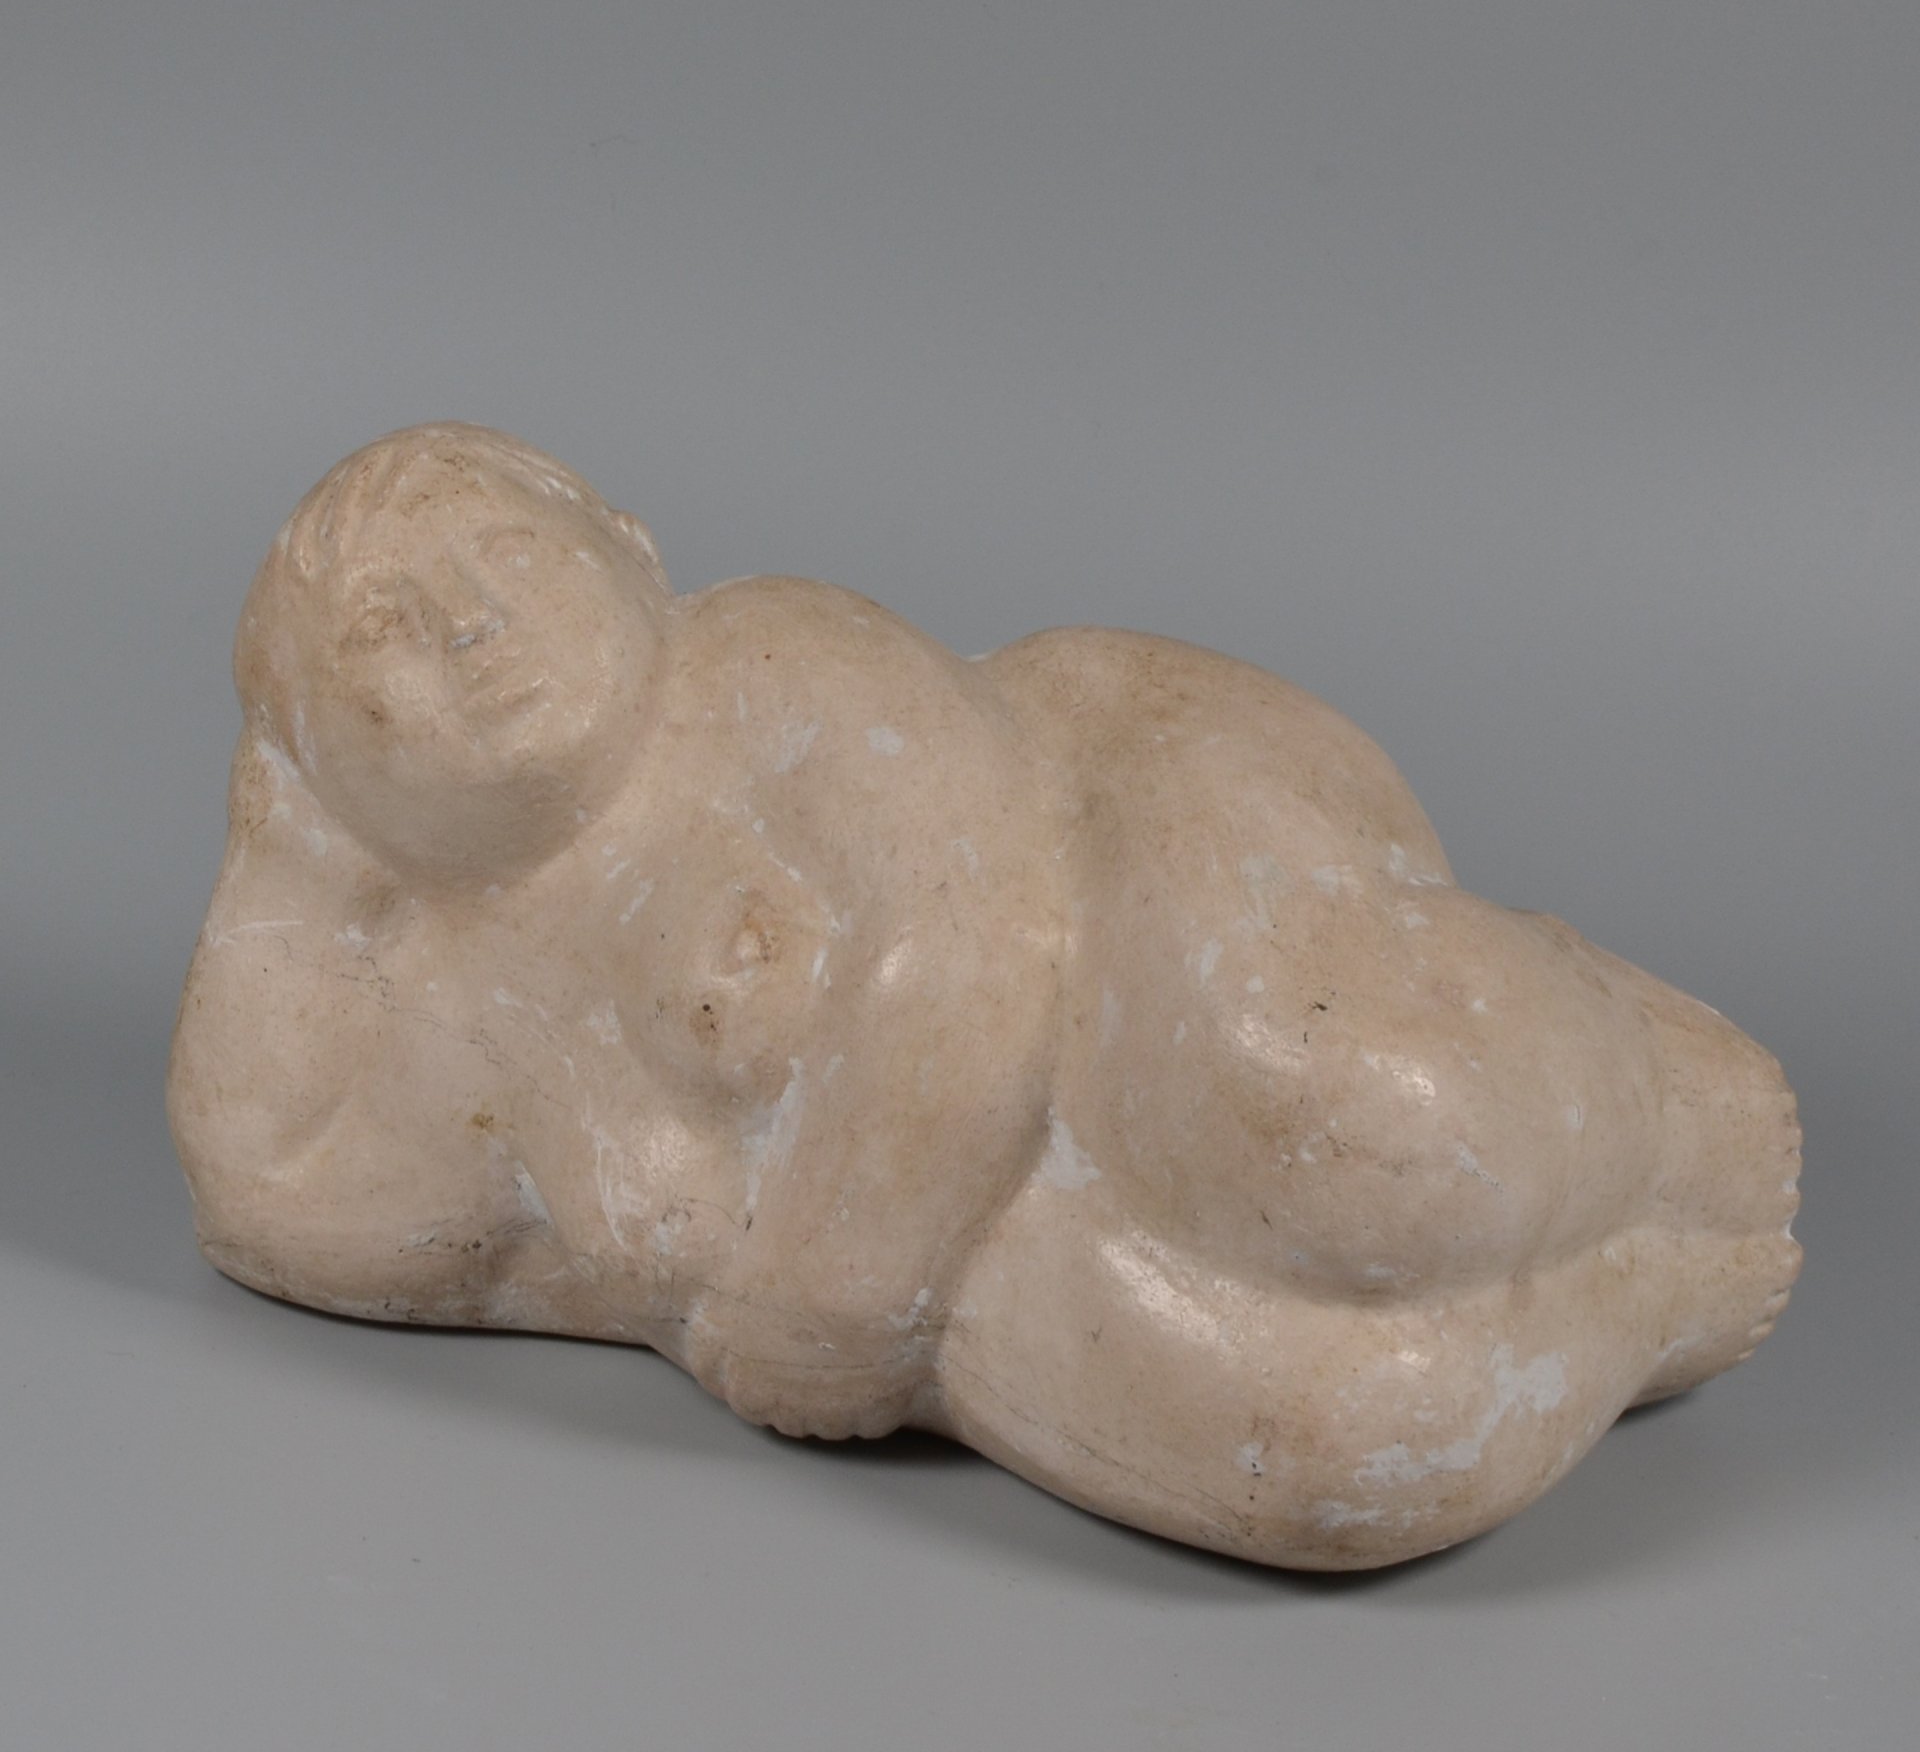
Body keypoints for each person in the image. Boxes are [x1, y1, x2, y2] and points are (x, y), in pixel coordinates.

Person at [170, 425, 1800, 1568]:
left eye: (512, 552)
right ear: (306, 743)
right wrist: (288, 861)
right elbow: (264, 1195)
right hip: (952, 1274)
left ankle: (1687, 1110)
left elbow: (974, 939)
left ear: (631, 550)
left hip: (1123, 859)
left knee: (1339, 1119)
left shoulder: (760, 665)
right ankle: (1665, 1284)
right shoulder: (450, 990)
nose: (470, 624)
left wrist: (831, 1291)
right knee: (1332, 1455)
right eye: (378, 629)